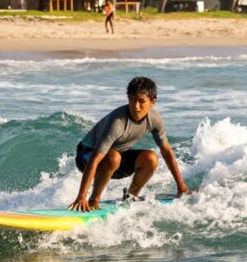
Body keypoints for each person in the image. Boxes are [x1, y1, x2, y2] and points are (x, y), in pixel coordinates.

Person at [69, 76, 190, 212]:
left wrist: (181, 186)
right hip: (86, 156)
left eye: (141, 101)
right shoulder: (117, 122)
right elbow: (95, 158)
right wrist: (81, 196)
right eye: (132, 100)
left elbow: (166, 150)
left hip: (116, 158)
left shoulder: (155, 120)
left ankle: (130, 198)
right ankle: (94, 200)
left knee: (151, 158)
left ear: (153, 102)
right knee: (113, 157)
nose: (136, 106)